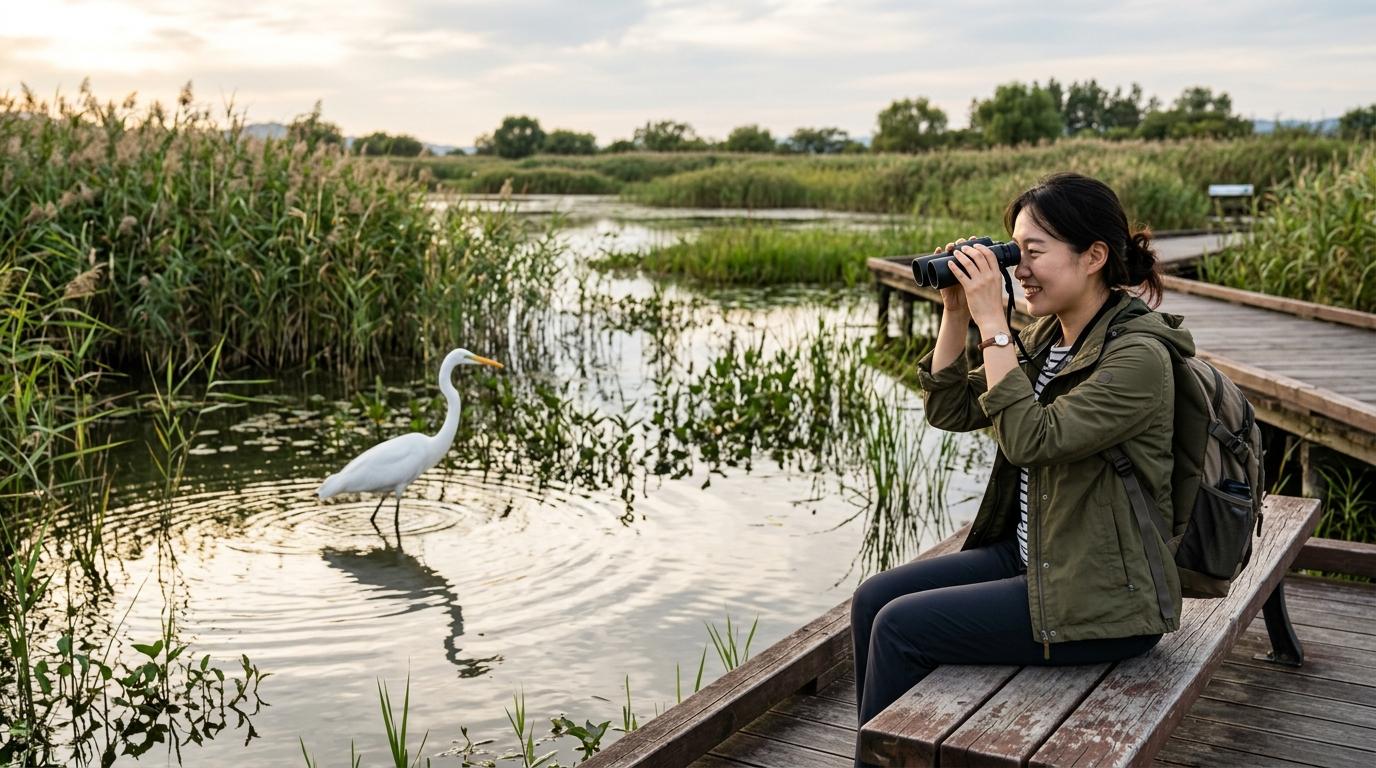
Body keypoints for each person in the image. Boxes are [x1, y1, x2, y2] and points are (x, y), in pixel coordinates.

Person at [850, 172, 1195, 768]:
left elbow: (1033, 439)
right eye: (1014, 251)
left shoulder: (1137, 356)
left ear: (1093, 256)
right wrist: (958, 310)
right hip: (1036, 557)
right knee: (872, 598)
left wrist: (995, 323)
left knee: (900, 628)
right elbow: (950, 409)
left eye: (1033, 252)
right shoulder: (1049, 335)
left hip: (1103, 595)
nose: (1019, 268)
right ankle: (890, 751)